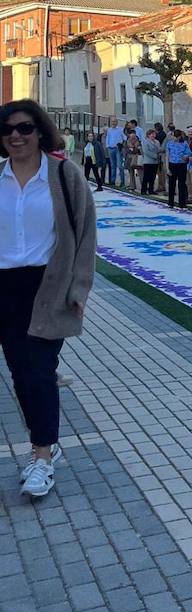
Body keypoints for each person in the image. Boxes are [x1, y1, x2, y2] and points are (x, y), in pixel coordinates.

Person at [0, 101, 97, 499]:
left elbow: (85, 232)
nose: (15, 137)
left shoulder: (62, 174)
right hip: (4, 287)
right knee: (22, 372)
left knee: (37, 372)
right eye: (7, 131)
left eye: (24, 128)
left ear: (40, 131)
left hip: (48, 285)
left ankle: (42, 457)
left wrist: (79, 288)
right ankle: (46, 445)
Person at [165, 129, 191, 209]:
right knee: (172, 184)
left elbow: (189, 152)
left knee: (182, 184)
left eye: (177, 137)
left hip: (181, 165)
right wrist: (167, 168)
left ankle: (182, 203)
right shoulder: (169, 144)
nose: (175, 138)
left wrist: (186, 156)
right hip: (172, 164)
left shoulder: (184, 143)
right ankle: (170, 202)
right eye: (174, 136)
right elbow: (167, 156)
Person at [103, 117, 125, 189]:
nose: (113, 123)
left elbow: (124, 138)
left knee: (120, 166)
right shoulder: (109, 130)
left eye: (115, 121)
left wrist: (121, 143)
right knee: (113, 166)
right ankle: (112, 181)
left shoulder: (121, 130)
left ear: (117, 122)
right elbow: (107, 138)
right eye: (112, 121)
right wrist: (108, 146)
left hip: (118, 149)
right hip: (111, 148)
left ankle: (122, 181)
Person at [140, 128, 162, 196]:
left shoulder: (157, 142)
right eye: (151, 134)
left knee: (153, 176)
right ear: (148, 135)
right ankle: (143, 190)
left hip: (155, 162)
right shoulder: (145, 142)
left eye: (154, 134)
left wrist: (159, 155)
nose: (153, 135)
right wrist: (155, 156)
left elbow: (159, 150)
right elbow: (146, 151)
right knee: (146, 176)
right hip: (148, 161)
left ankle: (151, 189)